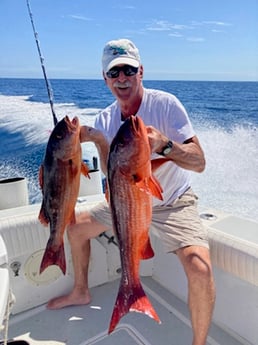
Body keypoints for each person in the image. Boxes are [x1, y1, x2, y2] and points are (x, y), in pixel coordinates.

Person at [47, 38, 215, 345]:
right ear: (105, 79)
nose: (122, 78)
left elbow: (200, 162)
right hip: (126, 202)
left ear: (141, 72)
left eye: (128, 70)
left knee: (199, 268)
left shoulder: (166, 104)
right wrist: (86, 141)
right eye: (114, 73)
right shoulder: (105, 120)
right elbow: (111, 182)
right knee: (75, 230)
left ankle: (199, 343)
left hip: (173, 202)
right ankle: (81, 290)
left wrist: (165, 146)